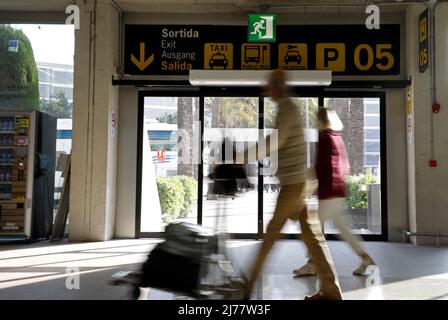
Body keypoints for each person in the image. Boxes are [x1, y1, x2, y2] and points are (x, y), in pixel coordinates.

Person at [243, 69, 343, 300]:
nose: (267, 90)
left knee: (270, 236)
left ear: (277, 87)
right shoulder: (286, 109)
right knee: (313, 238)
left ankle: (246, 290)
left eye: (270, 85)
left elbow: (276, 141)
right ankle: (331, 291)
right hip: (299, 183)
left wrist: (242, 157)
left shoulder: (287, 109)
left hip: (293, 185)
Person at [293, 108, 375, 277]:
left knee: (311, 229)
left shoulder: (325, 138)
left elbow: (322, 166)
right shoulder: (337, 137)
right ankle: (366, 259)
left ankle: (312, 264)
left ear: (321, 120)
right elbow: (341, 166)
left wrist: (306, 182)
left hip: (328, 192)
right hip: (337, 191)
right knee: (342, 229)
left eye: (317, 119)